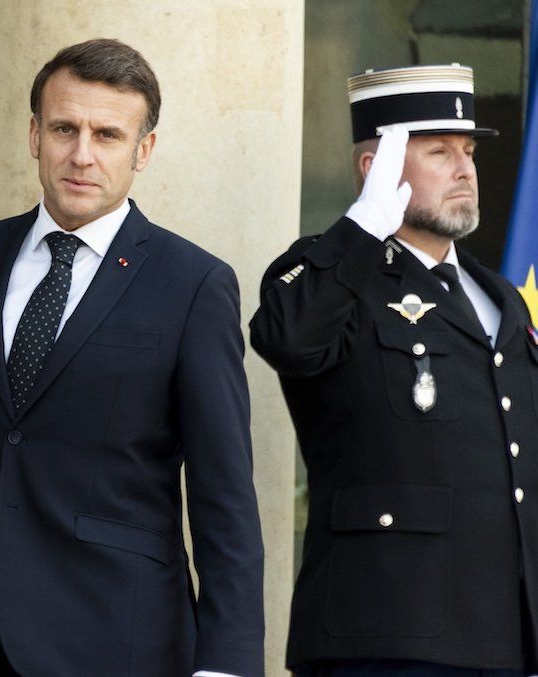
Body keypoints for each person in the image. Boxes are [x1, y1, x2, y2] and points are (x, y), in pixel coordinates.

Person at [0, 38, 265, 676]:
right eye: (64, 129)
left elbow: (225, 496)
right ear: (34, 134)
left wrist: (228, 663)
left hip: (119, 638)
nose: (82, 156)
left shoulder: (192, 284)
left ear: (144, 149)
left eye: (107, 135)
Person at [251, 64, 538, 675]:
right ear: (373, 169)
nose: (465, 169)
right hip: (384, 637)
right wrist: (360, 229)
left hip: (508, 635)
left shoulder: (501, 298)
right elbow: (289, 339)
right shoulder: (333, 279)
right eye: (438, 151)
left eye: (467, 151)